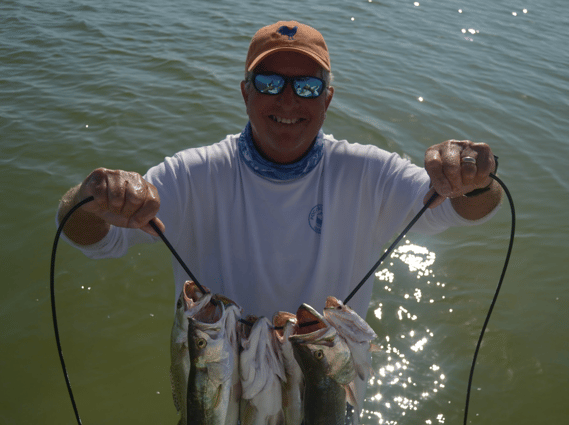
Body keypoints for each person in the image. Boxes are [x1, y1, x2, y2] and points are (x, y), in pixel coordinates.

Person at [57, 20, 502, 320]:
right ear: (245, 93)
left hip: (327, 392)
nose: (288, 101)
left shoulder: (369, 172)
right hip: (221, 394)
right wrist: (89, 199)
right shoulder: (191, 174)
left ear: (327, 99)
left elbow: (460, 210)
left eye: (307, 86)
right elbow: (96, 240)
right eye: (270, 83)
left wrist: (476, 178)